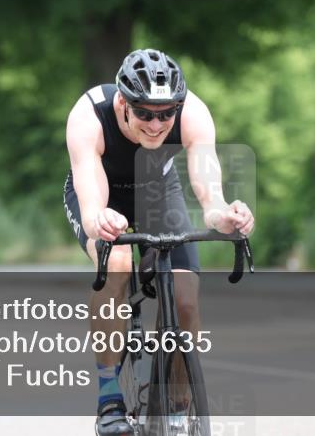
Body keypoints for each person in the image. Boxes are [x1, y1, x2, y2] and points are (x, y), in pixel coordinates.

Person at [64, 48, 255, 435]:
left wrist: (223, 215)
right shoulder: (89, 116)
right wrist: (100, 218)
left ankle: (177, 408)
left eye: (166, 113)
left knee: (186, 300)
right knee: (116, 263)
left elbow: (208, 188)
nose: (156, 123)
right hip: (103, 196)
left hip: (157, 192)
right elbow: (90, 197)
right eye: (145, 113)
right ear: (123, 103)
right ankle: (109, 398)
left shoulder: (193, 112)